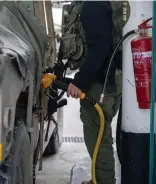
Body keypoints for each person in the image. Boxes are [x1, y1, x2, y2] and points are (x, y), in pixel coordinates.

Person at [63, 1, 123, 184]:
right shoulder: (100, 4)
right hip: (108, 78)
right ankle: (99, 178)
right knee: (98, 136)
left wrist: (79, 81)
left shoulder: (93, 6)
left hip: (102, 81)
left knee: (98, 138)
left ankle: (104, 181)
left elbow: (100, 48)